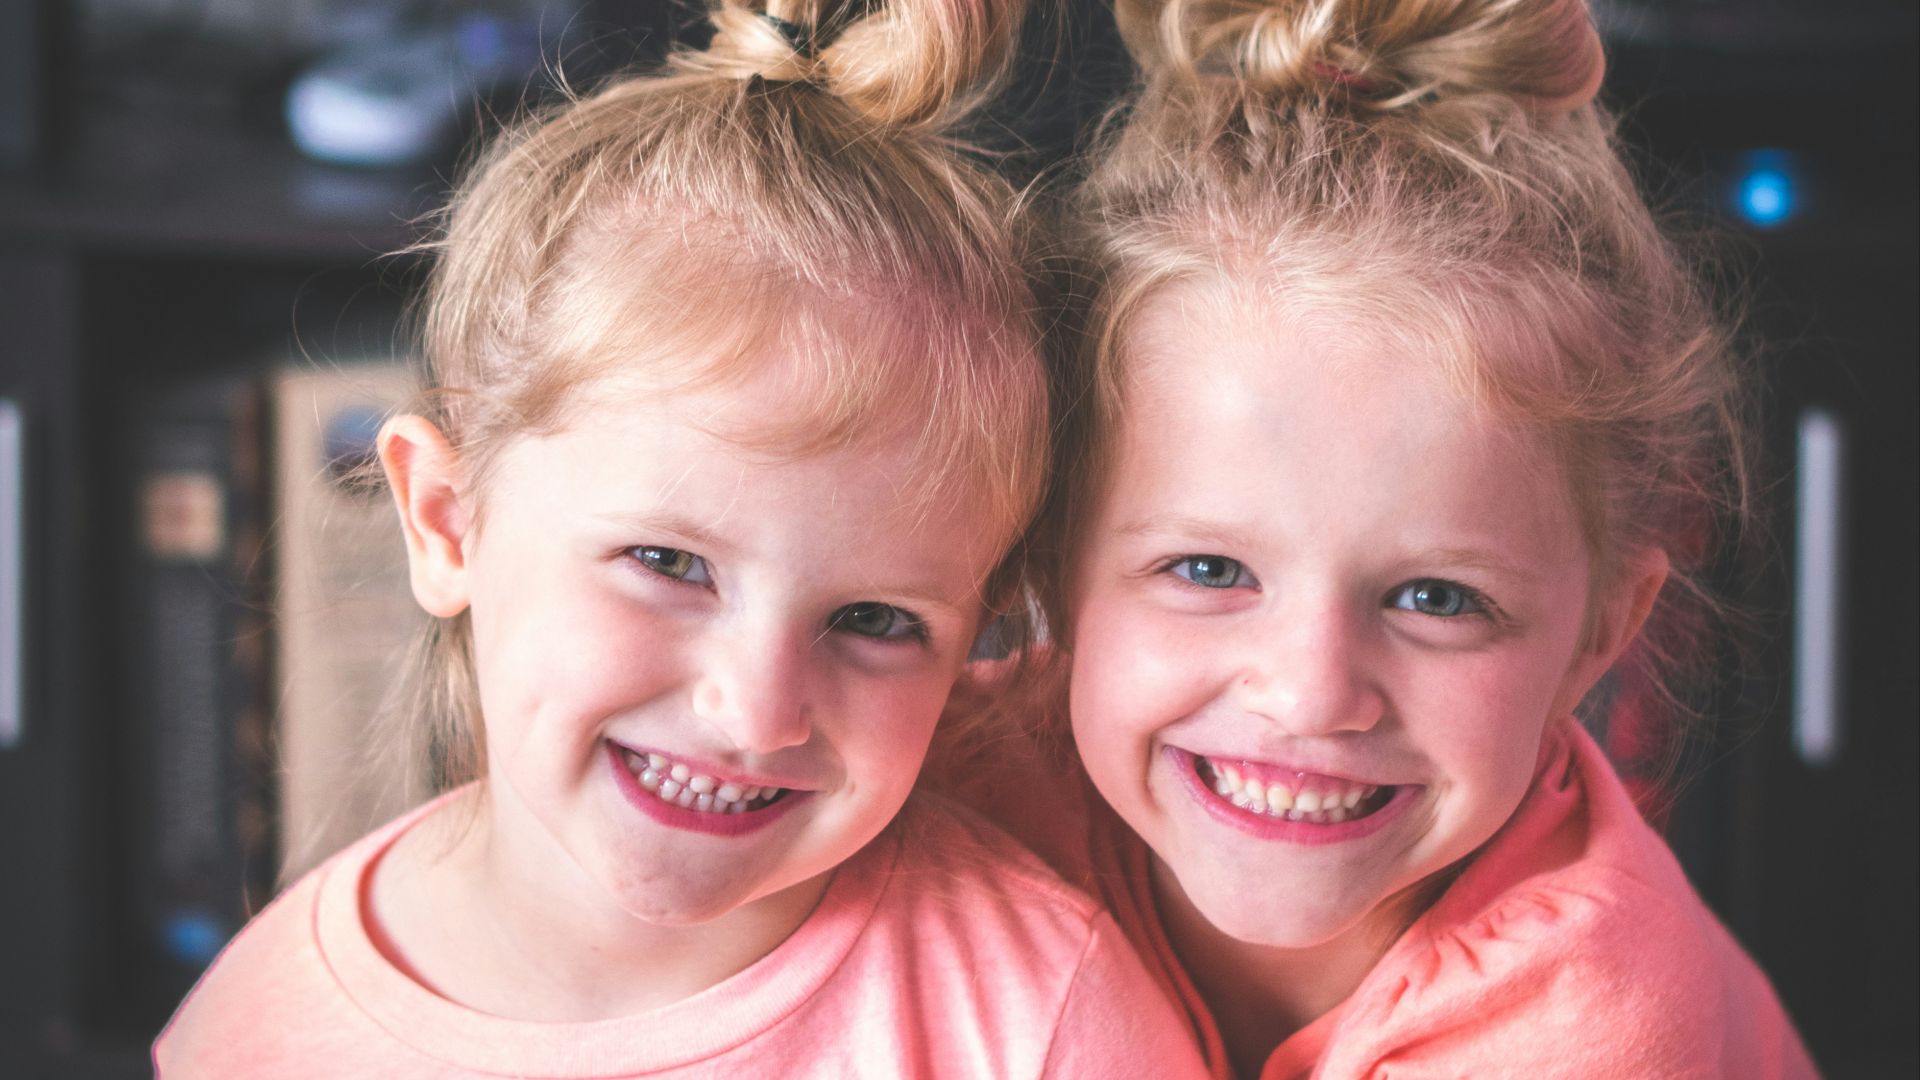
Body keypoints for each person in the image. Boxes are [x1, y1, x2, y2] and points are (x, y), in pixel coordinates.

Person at [153, 2, 1210, 1076]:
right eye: (669, 565)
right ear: (444, 521)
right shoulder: (254, 1029)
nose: (757, 711)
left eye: (875, 622)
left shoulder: (1046, 1028)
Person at [944, 0, 1821, 1075]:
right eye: (1209, 570)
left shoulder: (1588, 1023)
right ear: (1048, 565)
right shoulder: (945, 787)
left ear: (1602, 633)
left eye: (1437, 598)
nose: (1312, 694)